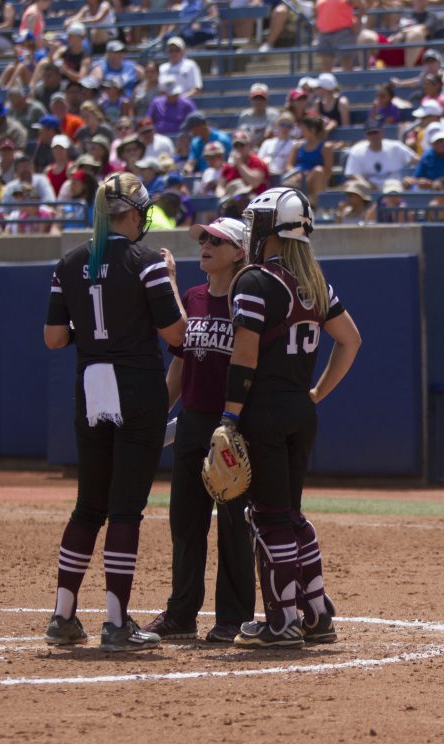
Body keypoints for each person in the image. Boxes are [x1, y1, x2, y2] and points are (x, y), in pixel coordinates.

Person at [41, 172, 186, 652]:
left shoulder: (68, 262)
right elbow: (176, 336)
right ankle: (116, 621)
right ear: (136, 213)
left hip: (91, 386)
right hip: (137, 385)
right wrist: (170, 280)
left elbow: (55, 338)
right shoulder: (146, 263)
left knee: (88, 506)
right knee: (126, 509)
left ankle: (63, 615)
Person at [223, 187, 362, 647]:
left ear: (267, 228)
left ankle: (282, 621)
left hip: (263, 408)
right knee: (292, 515)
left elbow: (244, 356)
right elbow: (351, 340)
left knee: (268, 517)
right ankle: (317, 613)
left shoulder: (255, 280)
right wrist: (317, 393)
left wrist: (228, 416)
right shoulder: (315, 283)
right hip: (300, 411)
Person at [141, 217, 258, 644]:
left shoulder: (247, 299)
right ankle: (181, 612)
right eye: (204, 239)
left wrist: (239, 421)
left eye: (217, 240)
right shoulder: (192, 296)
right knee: (185, 523)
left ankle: (233, 617)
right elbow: (181, 361)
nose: (206, 245)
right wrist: (158, 412)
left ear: (239, 252)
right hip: (192, 422)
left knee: (232, 523)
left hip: (230, 426)